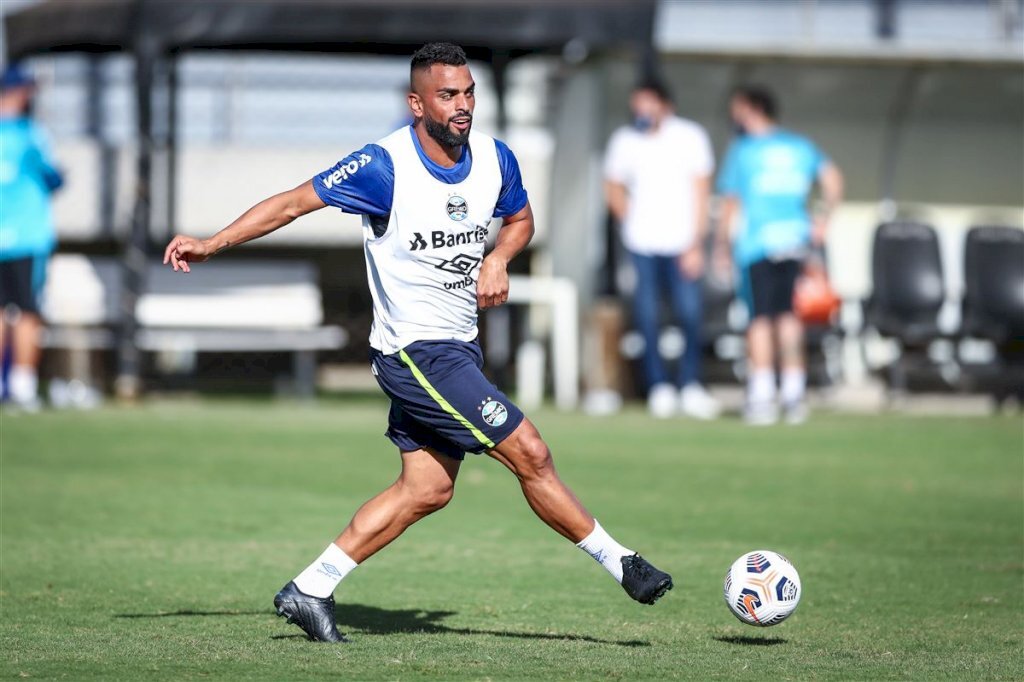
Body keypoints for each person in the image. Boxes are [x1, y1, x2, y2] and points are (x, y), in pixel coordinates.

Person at [163, 43, 672, 644]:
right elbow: (293, 203)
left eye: (469, 93)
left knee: (426, 489)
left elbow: (521, 220)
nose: (462, 106)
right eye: (447, 95)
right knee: (529, 450)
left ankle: (310, 588)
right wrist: (211, 243)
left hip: (458, 348)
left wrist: (500, 259)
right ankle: (622, 562)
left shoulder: (494, 158)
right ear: (416, 103)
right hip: (414, 352)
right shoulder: (384, 166)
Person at [716, 85, 843, 425]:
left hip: (757, 243)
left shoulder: (743, 150)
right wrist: (822, 218)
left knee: (759, 319)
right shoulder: (799, 147)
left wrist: (721, 246)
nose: (734, 116)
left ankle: (761, 396)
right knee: (788, 317)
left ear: (753, 109)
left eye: (738, 109)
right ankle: (793, 393)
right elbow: (832, 180)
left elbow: (731, 202)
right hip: (794, 241)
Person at [603, 79, 721, 420]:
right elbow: (612, 185)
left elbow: (701, 191)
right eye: (637, 103)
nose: (642, 111)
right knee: (647, 316)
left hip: (682, 242)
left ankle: (691, 384)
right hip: (642, 244)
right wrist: (630, 219)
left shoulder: (690, 137)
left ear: (665, 105)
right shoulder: (625, 140)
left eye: (648, 103)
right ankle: (658, 386)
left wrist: (697, 242)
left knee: (690, 314)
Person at [0, 63, 63, 411]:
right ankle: (23, 386)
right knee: (26, 311)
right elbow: (54, 177)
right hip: (26, 235)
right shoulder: (30, 134)